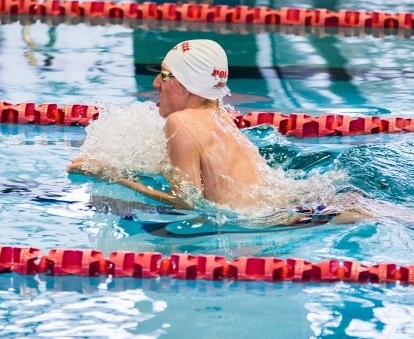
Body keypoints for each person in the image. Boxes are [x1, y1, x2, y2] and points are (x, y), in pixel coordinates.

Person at [67, 39, 269, 212]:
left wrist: (110, 174)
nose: (156, 83)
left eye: (164, 75)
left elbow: (185, 202)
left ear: (188, 83)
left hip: (237, 237)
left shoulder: (181, 122)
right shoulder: (221, 118)